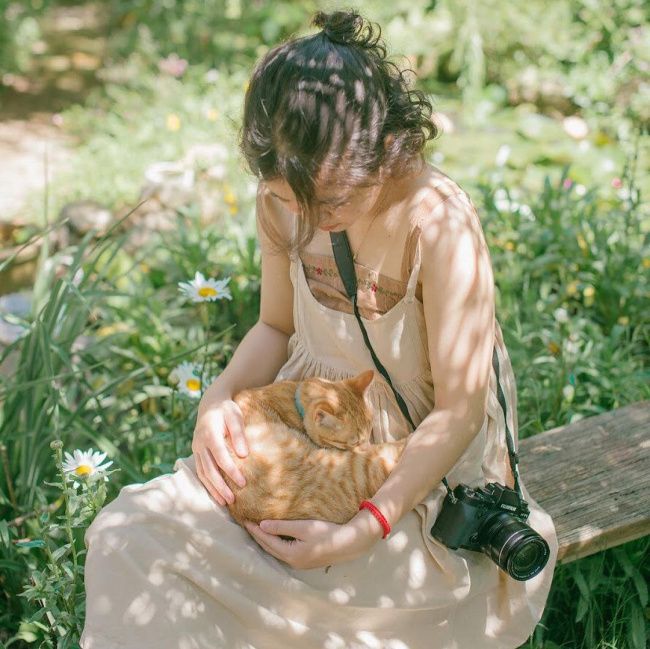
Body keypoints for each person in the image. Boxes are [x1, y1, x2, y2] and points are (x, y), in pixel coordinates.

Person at [80, 9, 558, 649]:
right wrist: (215, 402)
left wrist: (364, 527)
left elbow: (459, 413)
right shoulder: (280, 199)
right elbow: (274, 327)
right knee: (126, 535)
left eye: (330, 202)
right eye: (288, 199)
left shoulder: (439, 222)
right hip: (297, 440)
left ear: (384, 151)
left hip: (416, 474)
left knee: (307, 595)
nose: (307, 218)